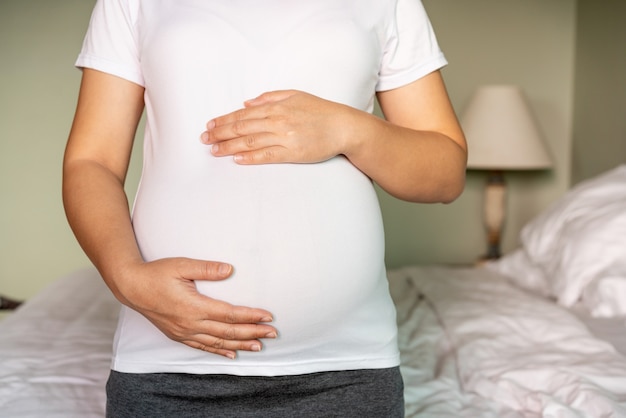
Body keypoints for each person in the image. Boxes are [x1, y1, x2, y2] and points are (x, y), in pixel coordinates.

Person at [63, 0, 467, 416]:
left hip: (349, 370)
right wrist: (125, 277)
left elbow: (446, 174)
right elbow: (91, 162)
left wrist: (350, 130)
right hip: (165, 367)